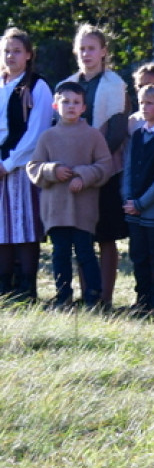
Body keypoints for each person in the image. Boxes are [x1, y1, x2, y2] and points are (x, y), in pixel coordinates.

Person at [62, 24, 130, 308]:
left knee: (106, 234)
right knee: (81, 233)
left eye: (92, 48)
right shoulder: (66, 85)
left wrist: (93, 161)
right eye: (82, 48)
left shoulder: (116, 86)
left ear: (103, 51)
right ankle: (86, 293)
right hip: (74, 171)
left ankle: (105, 296)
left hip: (106, 169)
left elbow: (116, 131)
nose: (86, 54)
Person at [27, 81, 111, 308]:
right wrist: (53, 170)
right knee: (60, 253)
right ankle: (63, 296)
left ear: (84, 107)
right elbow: (33, 167)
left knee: (85, 252)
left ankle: (94, 296)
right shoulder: (48, 137)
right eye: (65, 102)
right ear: (55, 105)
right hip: (56, 208)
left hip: (83, 207)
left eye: (76, 102)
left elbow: (105, 166)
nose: (71, 106)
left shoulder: (93, 135)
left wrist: (83, 176)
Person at [0, 28, 52, 302]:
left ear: (29, 55)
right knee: (1, 229)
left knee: (23, 227)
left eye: (17, 51)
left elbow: (36, 134)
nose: (10, 56)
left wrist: (7, 164)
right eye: (7, 51)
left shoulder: (37, 86)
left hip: (22, 167)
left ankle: (26, 289)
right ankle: (4, 288)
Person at [121, 84, 154, 313]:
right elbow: (128, 169)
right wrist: (128, 198)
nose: (144, 107)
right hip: (134, 209)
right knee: (139, 256)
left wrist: (142, 203)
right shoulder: (137, 134)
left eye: (150, 103)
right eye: (141, 102)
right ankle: (142, 299)